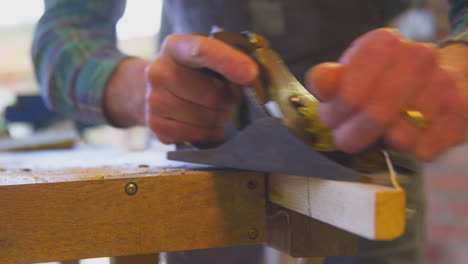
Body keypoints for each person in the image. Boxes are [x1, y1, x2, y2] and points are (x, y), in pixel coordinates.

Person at [32, 1, 467, 263]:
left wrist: (456, 66)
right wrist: (139, 89)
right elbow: (62, 38)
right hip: (206, 170)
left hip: (365, 157)